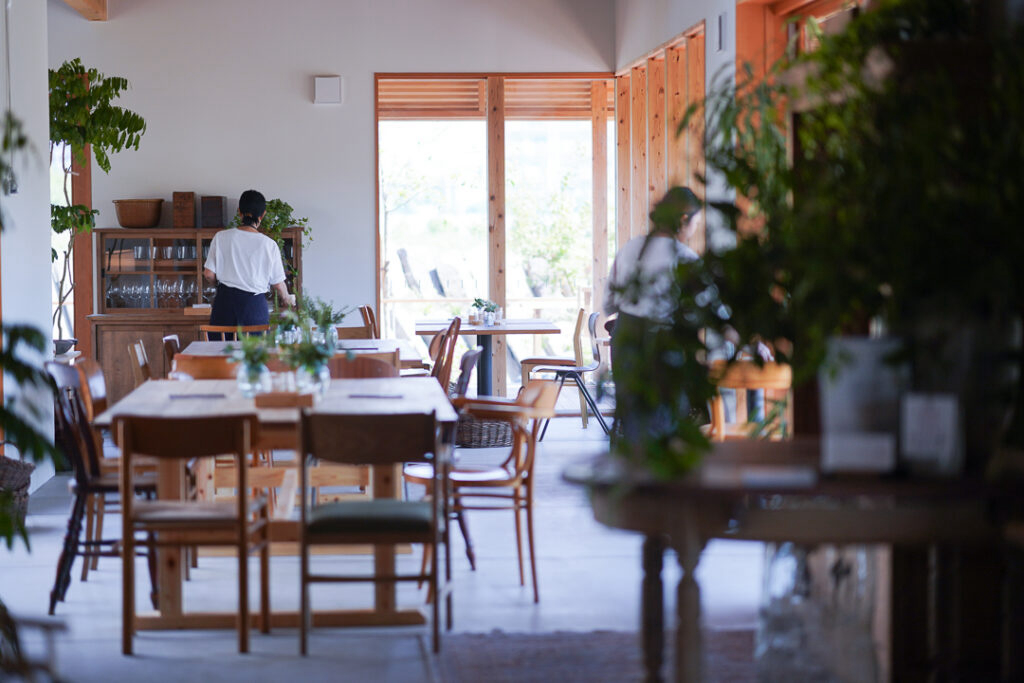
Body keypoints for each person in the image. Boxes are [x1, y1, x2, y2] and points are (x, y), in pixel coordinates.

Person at [604, 186, 702, 445]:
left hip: (625, 338)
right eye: (695, 224)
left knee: (630, 420)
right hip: (662, 345)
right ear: (684, 219)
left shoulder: (630, 248)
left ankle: (627, 468)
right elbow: (709, 308)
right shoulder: (685, 257)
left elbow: (609, 303)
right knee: (664, 424)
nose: (694, 230)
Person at [203, 189, 296, 337]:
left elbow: (208, 274)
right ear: (263, 215)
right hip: (253, 308)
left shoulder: (221, 237)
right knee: (254, 351)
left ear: (239, 212)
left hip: (224, 305)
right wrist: (287, 299)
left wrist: (218, 285)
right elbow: (278, 284)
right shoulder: (269, 245)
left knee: (220, 349)